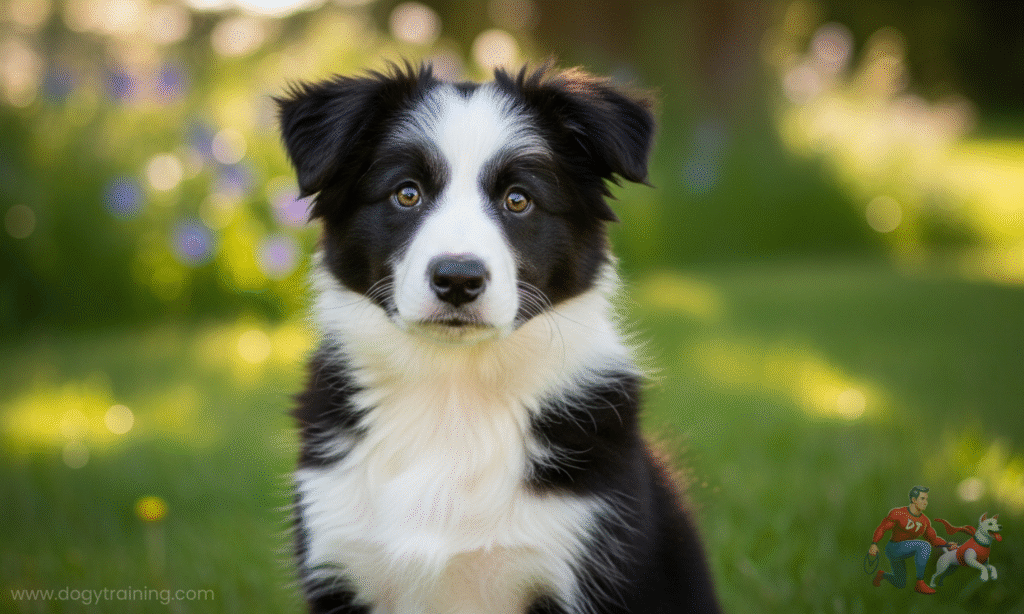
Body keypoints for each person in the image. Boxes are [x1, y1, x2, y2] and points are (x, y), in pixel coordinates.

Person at [868, 486, 958, 594]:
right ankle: (920, 583)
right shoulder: (898, 513)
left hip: (905, 549)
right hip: (893, 548)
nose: (926, 502)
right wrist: (874, 543)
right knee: (923, 546)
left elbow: (933, 540)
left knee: (900, 582)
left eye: (926, 499)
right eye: (922, 499)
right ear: (914, 500)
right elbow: (883, 527)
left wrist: (947, 544)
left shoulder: (924, 521)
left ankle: (882, 575)